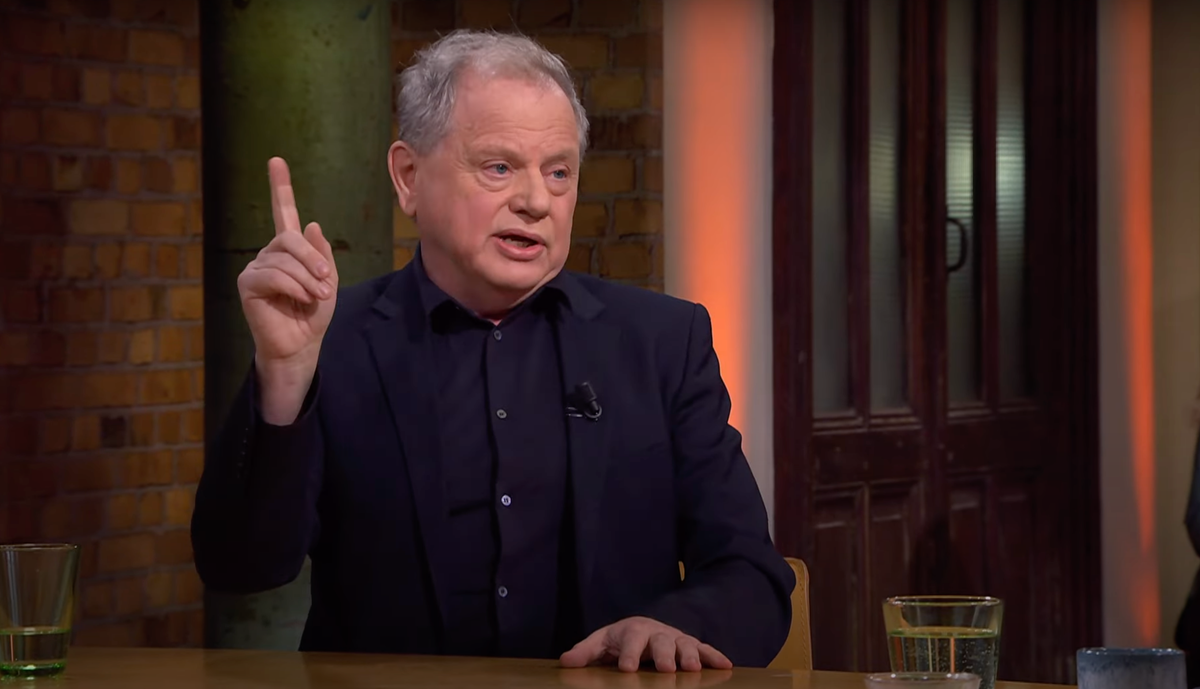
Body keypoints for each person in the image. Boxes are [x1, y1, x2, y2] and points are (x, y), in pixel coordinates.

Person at [190, 29, 794, 673]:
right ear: (409, 177)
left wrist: (673, 627)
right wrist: (285, 375)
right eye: (499, 167)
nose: (535, 201)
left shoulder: (661, 343)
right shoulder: (333, 340)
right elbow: (240, 567)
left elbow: (752, 574)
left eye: (558, 172)